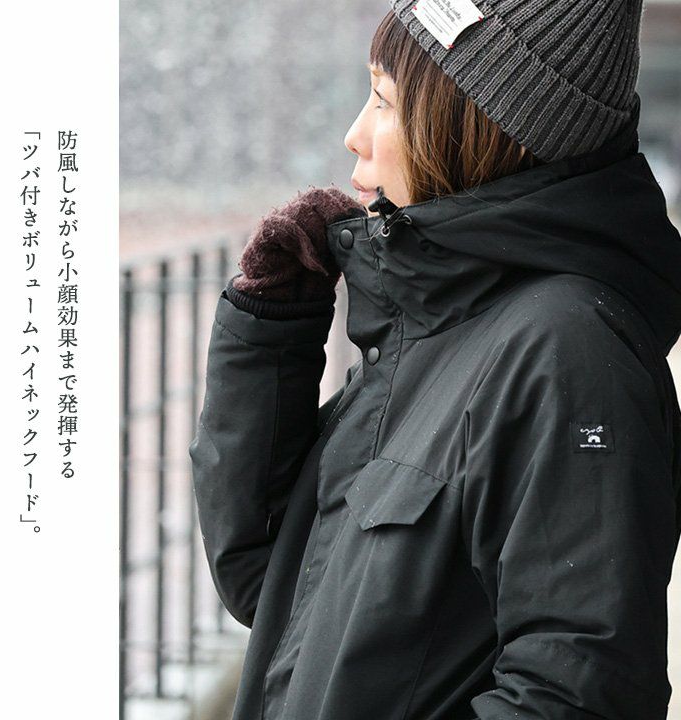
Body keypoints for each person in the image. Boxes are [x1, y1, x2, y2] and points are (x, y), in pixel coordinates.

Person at [189, 2, 681, 718]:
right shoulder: (443, 325)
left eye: (385, 101)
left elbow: (574, 697)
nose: (354, 134)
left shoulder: (566, 353)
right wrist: (272, 333)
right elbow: (272, 591)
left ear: (479, 128)